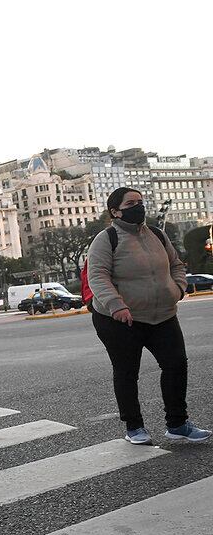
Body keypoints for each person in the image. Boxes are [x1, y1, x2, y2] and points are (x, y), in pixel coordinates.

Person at [87, 187, 210, 445]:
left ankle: (177, 423)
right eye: (131, 203)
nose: (138, 207)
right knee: (127, 372)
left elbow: (176, 264)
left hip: (162, 314)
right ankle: (134, 426)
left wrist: (178, 288)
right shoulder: (106, 238)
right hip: (120, 319)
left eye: (141, 201)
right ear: (115, 211)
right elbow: (97, 275)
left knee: (176, 365)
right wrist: (116, 305)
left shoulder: (157, 234)